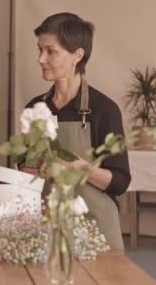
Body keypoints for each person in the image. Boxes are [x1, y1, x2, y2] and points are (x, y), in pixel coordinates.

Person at [24, 12, 130, 251]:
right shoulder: (35, 108)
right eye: (39, 50)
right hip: (46, 227)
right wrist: (28, 169)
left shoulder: (104, 109)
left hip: (95, 229)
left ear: (77, 55)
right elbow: (25, 170)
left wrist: (80, 168)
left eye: (51, 51)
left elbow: (120, 181)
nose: (41, 58)